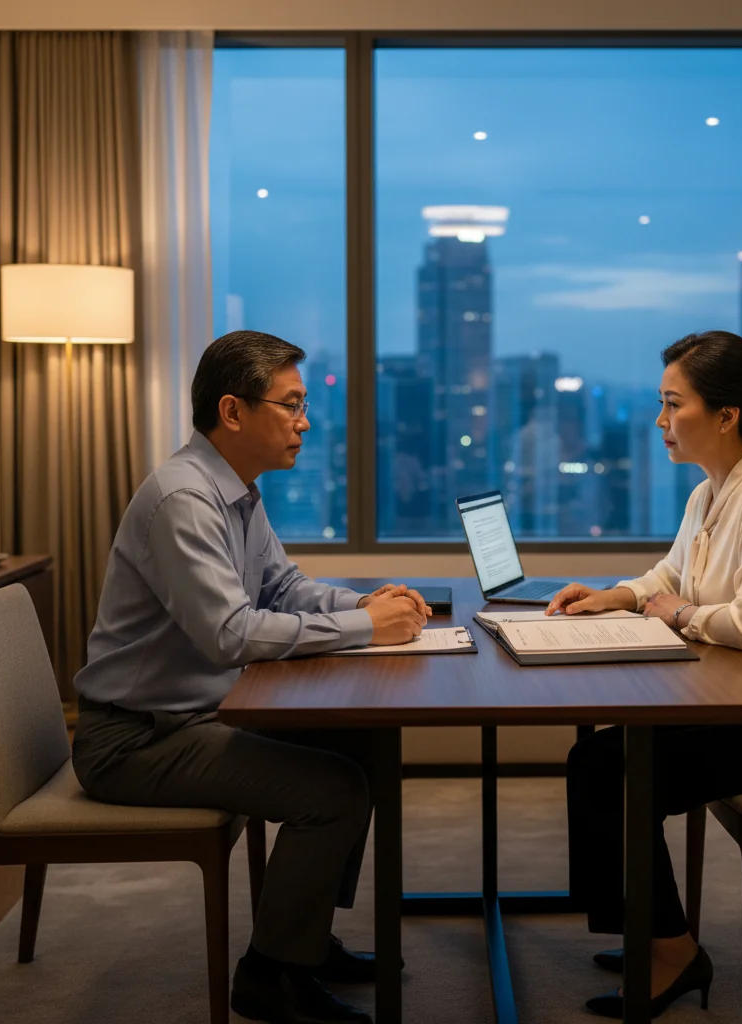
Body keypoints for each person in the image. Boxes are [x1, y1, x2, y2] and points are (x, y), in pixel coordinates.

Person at [72, 330, 431, 1024]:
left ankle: (301, 937)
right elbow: (232, 633)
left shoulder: (237, 489)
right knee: (330, 787)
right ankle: (269, 977)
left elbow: (285, 587)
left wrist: (364, 605)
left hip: (198, 713)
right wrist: (367, 629)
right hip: (135, 741)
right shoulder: (185, 500)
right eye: (291, 405)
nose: (304, 422)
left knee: (357, 742)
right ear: (233, 412)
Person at [546, 330, 742, 1019]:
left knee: (618, 771)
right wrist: (620, 596)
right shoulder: (710, 490)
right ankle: (646, 930)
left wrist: (678, 611)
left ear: (725, 415)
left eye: (672, 405)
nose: (660, 422)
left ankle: (675, 955)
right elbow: (669, 576)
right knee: (596, 756)